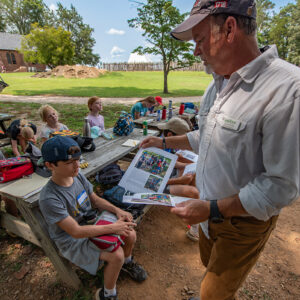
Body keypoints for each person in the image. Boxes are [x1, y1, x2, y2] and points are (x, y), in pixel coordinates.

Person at [140, 0, 300, 299]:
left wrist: (212, 208)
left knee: (214, 292)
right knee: (208, 267)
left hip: (242, 221)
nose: (195, 51)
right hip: (207, 209)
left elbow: (280, 188)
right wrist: (163, 142)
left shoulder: (288, 89)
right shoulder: (217, 84)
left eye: (200, 39)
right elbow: (209, 137)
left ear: (229, 29)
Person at [39, 136, 147, 300]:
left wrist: (118, 211)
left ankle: (127, 263)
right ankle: (107, 294)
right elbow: (75, 232)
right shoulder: (49, 198)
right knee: (115, 255)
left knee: (130, 233)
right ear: (50, 165)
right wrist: (113, 228)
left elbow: (95, 200)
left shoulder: (77, 176)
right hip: (71, 239)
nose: (76, 165)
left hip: (92, 223)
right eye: (69, 162)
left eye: (78, 159)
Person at [158, 117, 200, 241]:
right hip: (159, 184)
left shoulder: (167, 144)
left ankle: (196, 227)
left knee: (194, 177)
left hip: (169, 178)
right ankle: (196, 227)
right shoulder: (157, 150)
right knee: (193, 192)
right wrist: (179, 181)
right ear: (170, 135)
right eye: (182, 141)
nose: (183, 145)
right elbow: (152, 181)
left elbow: (175, 162)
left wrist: (191, 166)